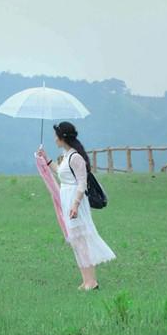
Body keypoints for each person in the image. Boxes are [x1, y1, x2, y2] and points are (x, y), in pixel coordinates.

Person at [38, 121, 116, 291]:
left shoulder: (76, 157)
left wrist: (75, 204)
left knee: (81, 240)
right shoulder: (66, 155)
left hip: (75, 201)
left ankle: (91, 281)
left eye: (56, 136)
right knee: (76, 240)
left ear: (62, 138)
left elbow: (82, 183)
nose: (54, 139)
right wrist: (45, 158)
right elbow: (60, 172)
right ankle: (86, 280)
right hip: (68, 199)